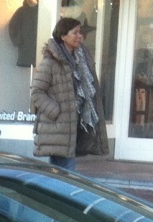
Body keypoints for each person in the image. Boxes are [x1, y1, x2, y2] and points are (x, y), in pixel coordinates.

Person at [29, 17, 107, 172]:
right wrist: (56, 111)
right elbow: (37, 91)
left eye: (81, 32)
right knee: (66, 173)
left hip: (73, 126)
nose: (80, 36)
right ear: (63, 36)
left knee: (60, 173)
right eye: (75, 32)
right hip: (59, 127)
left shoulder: (81, 60)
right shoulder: (51, 62)